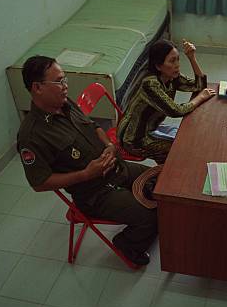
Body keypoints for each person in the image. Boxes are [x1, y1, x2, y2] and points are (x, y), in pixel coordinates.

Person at [17, 55, 157, 265]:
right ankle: (127, 244)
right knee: (150, 215)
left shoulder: (64, 103)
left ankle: (141, 216)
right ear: (37, 88)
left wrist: (109, 146)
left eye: (64, 79)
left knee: (160, 184)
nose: (65, 86)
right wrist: (85, 174)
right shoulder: (32, 135)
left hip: (116, 168)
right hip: (95, 193)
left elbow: (93, 126)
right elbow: (39, 183)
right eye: (59, 81)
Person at [117, 39, 216, 164]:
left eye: (178, 59)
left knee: (188, 140)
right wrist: (200, 98)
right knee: (179, 150)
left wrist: (191, 57)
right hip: (134, 139)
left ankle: (163, 166)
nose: (177, 65)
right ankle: (162, 176)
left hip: (151, 127)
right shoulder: (150, 84)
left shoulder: (171, 76)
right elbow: (175, 111)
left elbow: (199, 86)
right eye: (172, 61)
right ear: (158, 66)